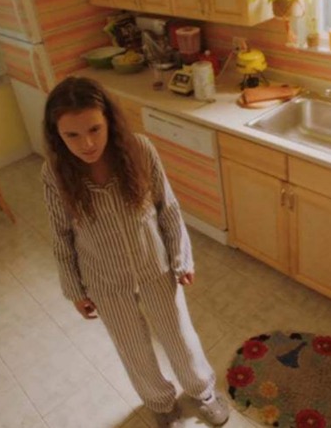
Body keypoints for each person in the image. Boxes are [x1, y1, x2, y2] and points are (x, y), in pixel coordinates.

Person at [41, 76, 229, 428]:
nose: (87, 143)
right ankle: (159, 402)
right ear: (57, 135)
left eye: (95, 129)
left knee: (179, 337)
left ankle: (202, 392)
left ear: (109, 119)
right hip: (105, 279)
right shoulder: (54, 174)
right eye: (73, 136)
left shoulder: (140, 150)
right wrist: (74, 289)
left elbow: (168, 209)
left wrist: (180, 258)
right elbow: (61, 237)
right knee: (133, 348)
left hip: (155, 266)